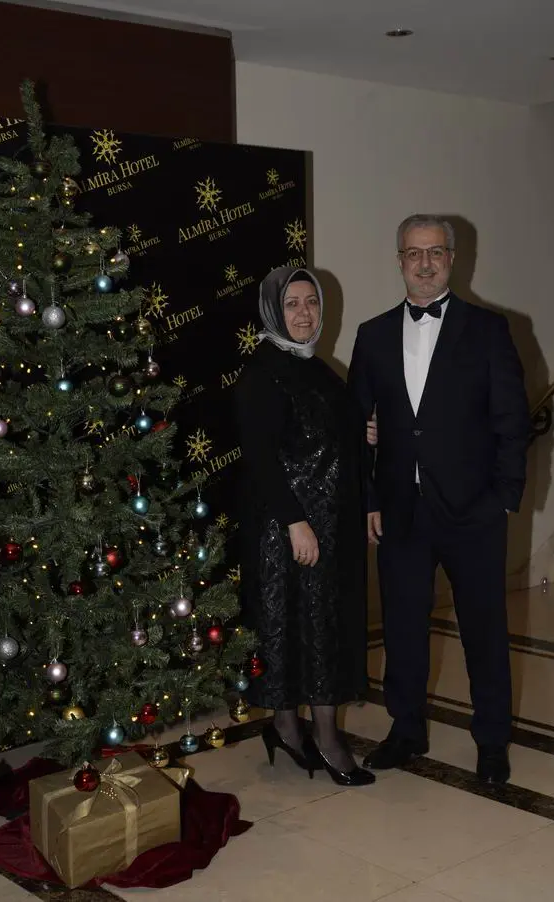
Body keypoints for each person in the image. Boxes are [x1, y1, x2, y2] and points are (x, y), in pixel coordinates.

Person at [348, 214, 530, 784]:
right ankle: (406, 730)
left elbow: (512, 420)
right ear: (399, 261)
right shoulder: (372, 335)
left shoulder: (489, 329)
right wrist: (369, 498)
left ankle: (492, 740)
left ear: (452, 259)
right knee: (402, 628)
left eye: (434, 252)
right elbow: (356, 427)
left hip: (474, 510)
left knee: (484, 630)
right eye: (413, 253)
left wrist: (504, 496)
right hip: (401, 509)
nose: (424, 263)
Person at [234, 266, 374, 786]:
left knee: (323, 628)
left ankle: (294, 730)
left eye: (310, 302)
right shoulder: (261, 373)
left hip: (330, 526)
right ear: (273, 310)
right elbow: (260, 459)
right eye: (291, 304)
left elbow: (333, 433)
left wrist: (365, 433)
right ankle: (312, 735)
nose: (303, 313)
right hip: (286, 530)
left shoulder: (318, 368)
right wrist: (295, 522)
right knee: (292, 628)